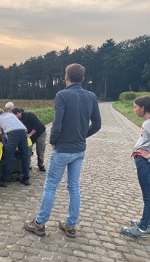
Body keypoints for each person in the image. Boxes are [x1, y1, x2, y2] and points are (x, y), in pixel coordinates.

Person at [24, 63, 101, 238]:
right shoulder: (91, 96)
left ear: (66, 77)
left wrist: (53, 141)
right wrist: (82, 135)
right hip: (79, 149)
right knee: (74, 187)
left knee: (51, 186)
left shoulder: (62, 95)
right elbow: (97, 125)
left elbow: (57, 123)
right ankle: (70, 225)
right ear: (82, 78)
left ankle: (40, 223)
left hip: (63, 149)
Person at [120, 96, 150, 238]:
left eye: (135, 107)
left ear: (143, 108)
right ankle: (145, 222)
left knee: (148, 195)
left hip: (144, 162)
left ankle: (142, 229)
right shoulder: (147, 122)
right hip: (142, 161)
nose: (133, 109)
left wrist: (149, 155)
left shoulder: (149, 123)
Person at [0, 108, 30, 187]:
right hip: (23, 131)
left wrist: (4, 143)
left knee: (8, 156)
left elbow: (0, 134)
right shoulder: (11, 114)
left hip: (13, 133)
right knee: (25, 156)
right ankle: (26, 178)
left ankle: (4, 180)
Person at [12, 107, 47, 172]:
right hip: (29, 135)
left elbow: (37, 125)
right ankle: (28, 165)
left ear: (18, 113)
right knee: (28, 149)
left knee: (40, 149)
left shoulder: (29, 115)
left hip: (40, 133)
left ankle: (41, 165)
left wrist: (30, 134)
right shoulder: (17, 120)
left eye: (15, 116)